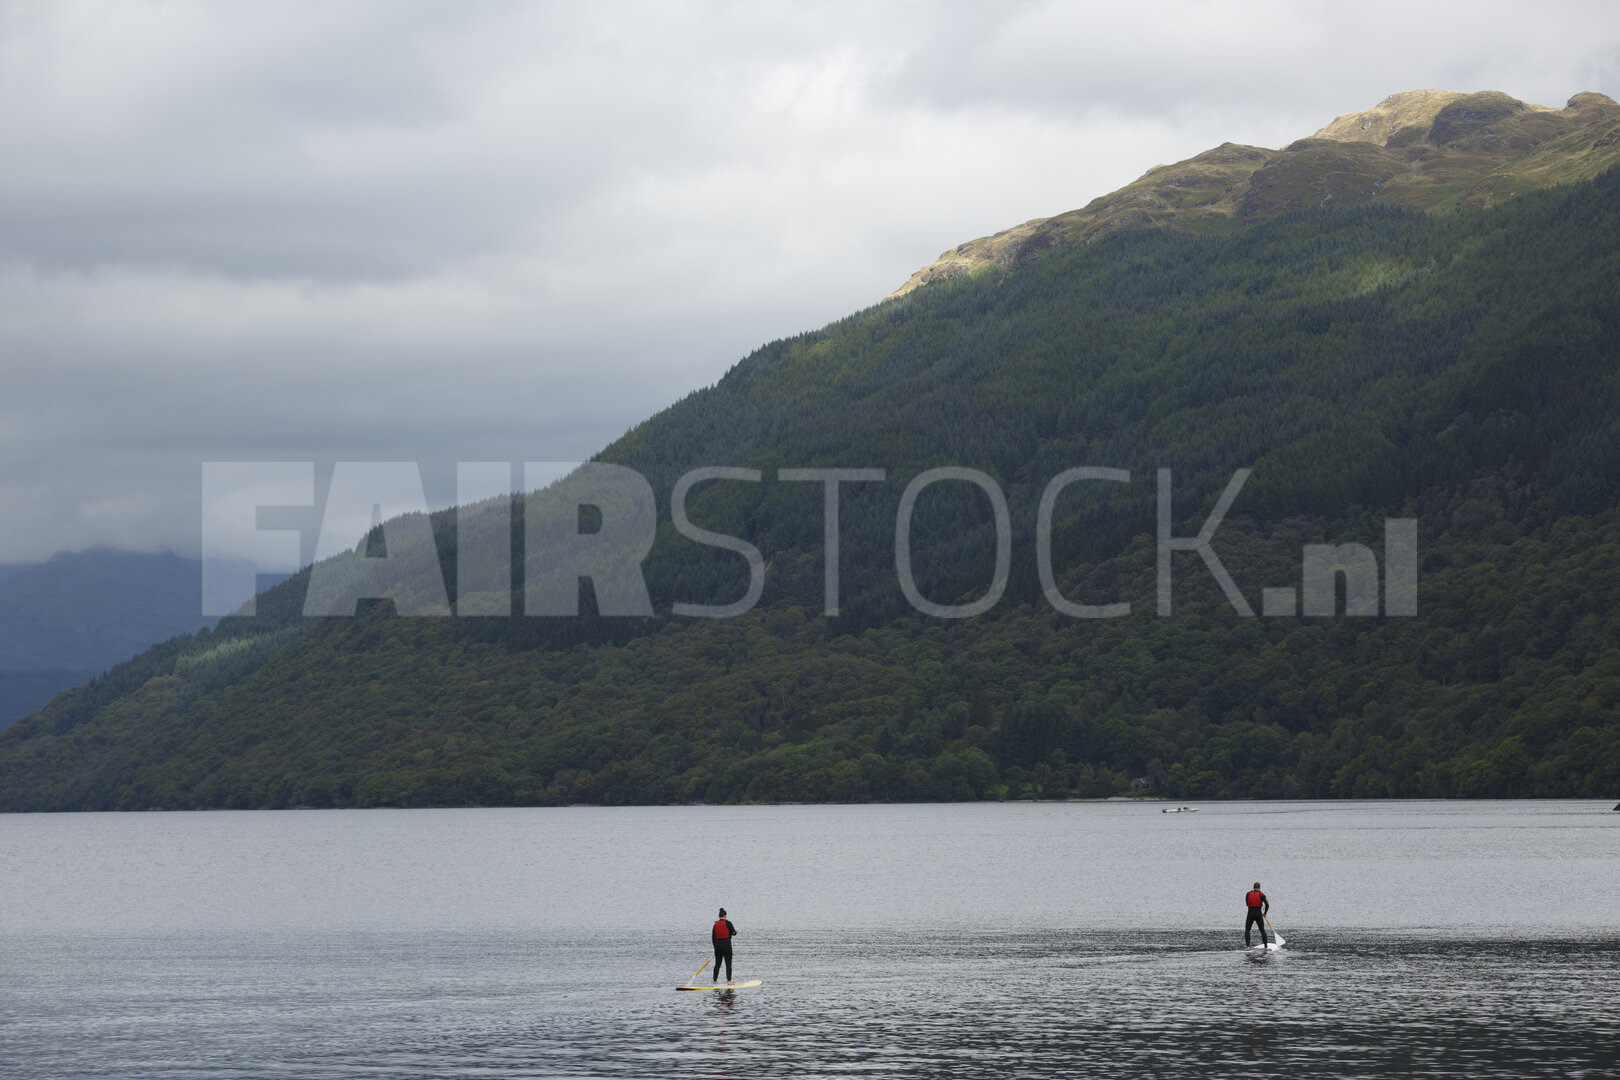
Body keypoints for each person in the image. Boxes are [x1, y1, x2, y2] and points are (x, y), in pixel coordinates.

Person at [711, 908, 738, 982]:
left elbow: (713, 938)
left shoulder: (715, 925)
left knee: (717, 964)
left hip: (717, 945)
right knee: (728, 964)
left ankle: (714, 981)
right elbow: (733, 933)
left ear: (718, 916)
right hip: (726, 945)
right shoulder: (728, 923)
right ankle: (729, 981)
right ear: (725, 916)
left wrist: (715, 948)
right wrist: (736, 932)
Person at [1244, 882, 1269, 949]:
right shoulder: (1262, 895)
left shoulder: (1248, 893)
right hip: (1258, 914)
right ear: (1259, 887)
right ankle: (1266, 947)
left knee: (1247, 930)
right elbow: (1267, 904)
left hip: (1250, 913)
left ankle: (1248, 946)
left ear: (1253, 887)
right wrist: (1265, 913)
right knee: (1262, 931)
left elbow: (1247, 903)